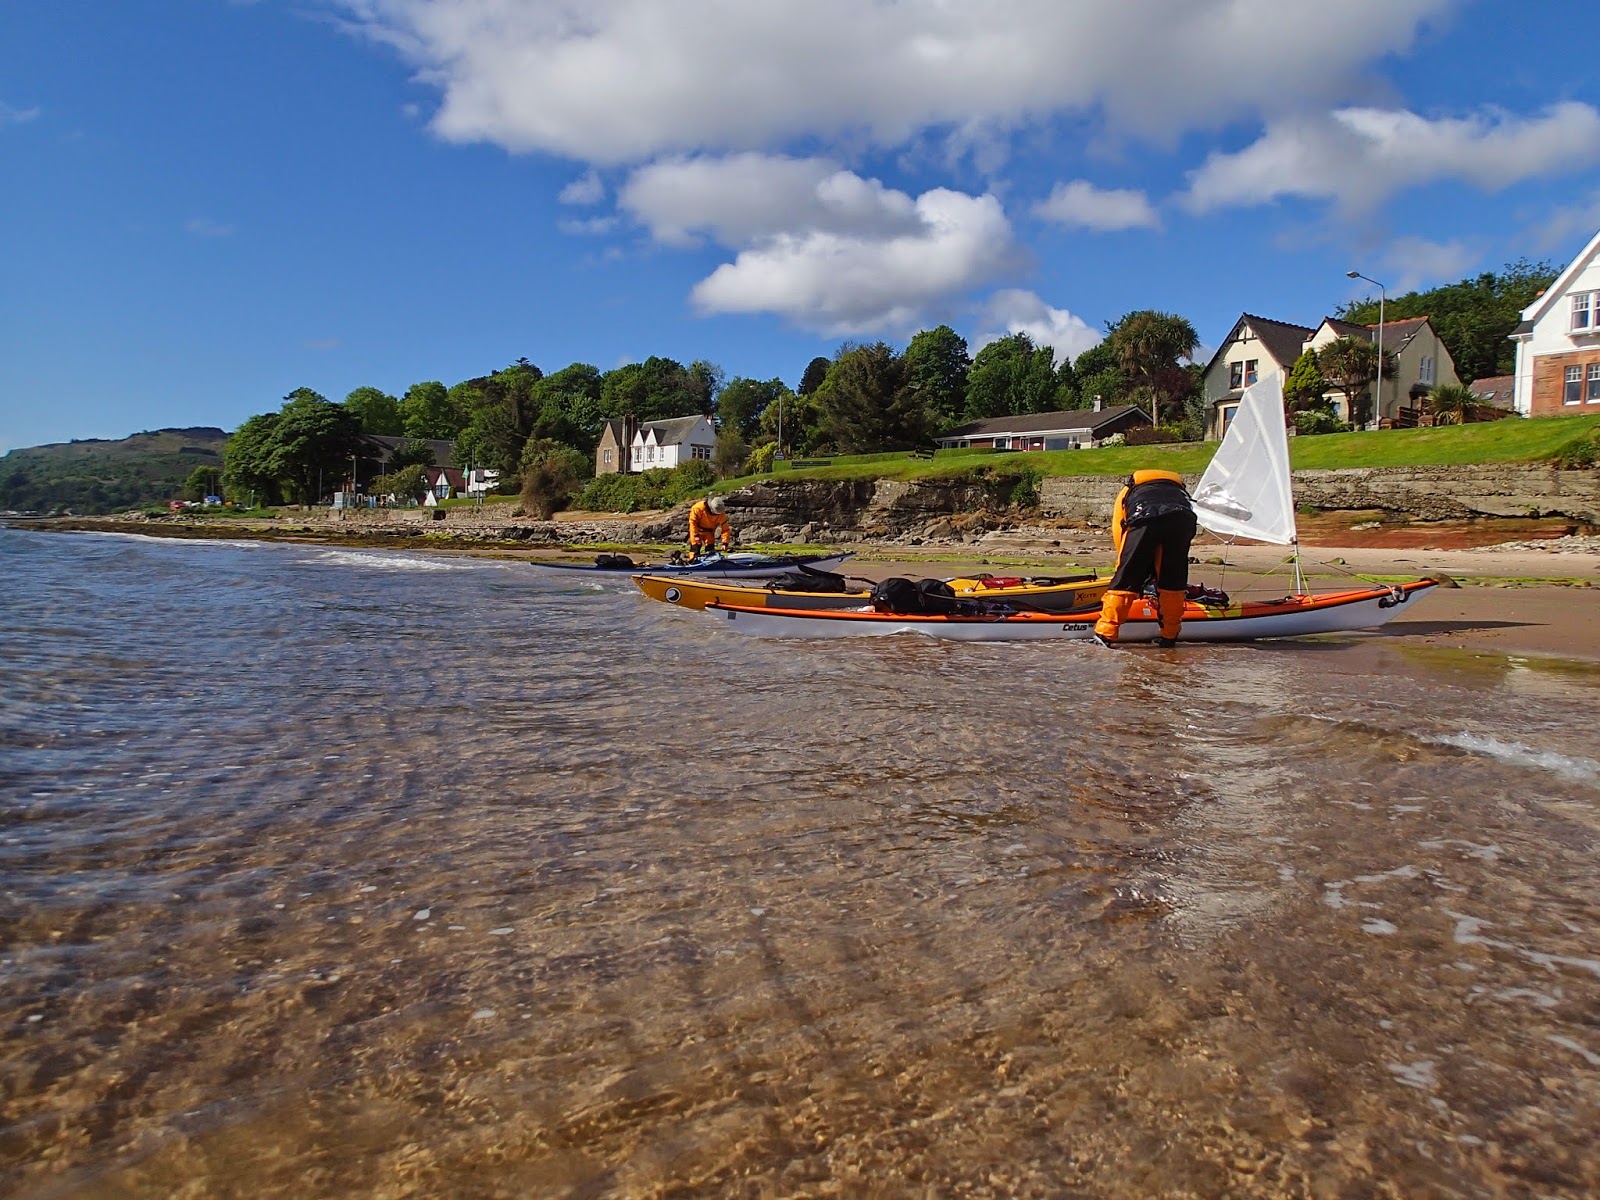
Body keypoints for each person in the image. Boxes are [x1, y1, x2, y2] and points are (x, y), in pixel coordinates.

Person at [1093, 469, 1197, 647]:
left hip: (1144, 518)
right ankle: (1170, 636)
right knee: (1172, 582)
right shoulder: (1181, 493)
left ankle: (1105, 633)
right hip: (1182, 521)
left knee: (1126, 579)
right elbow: (1189, 528)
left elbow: (1119, 529)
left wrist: (1128, 564)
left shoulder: (1128, 490)